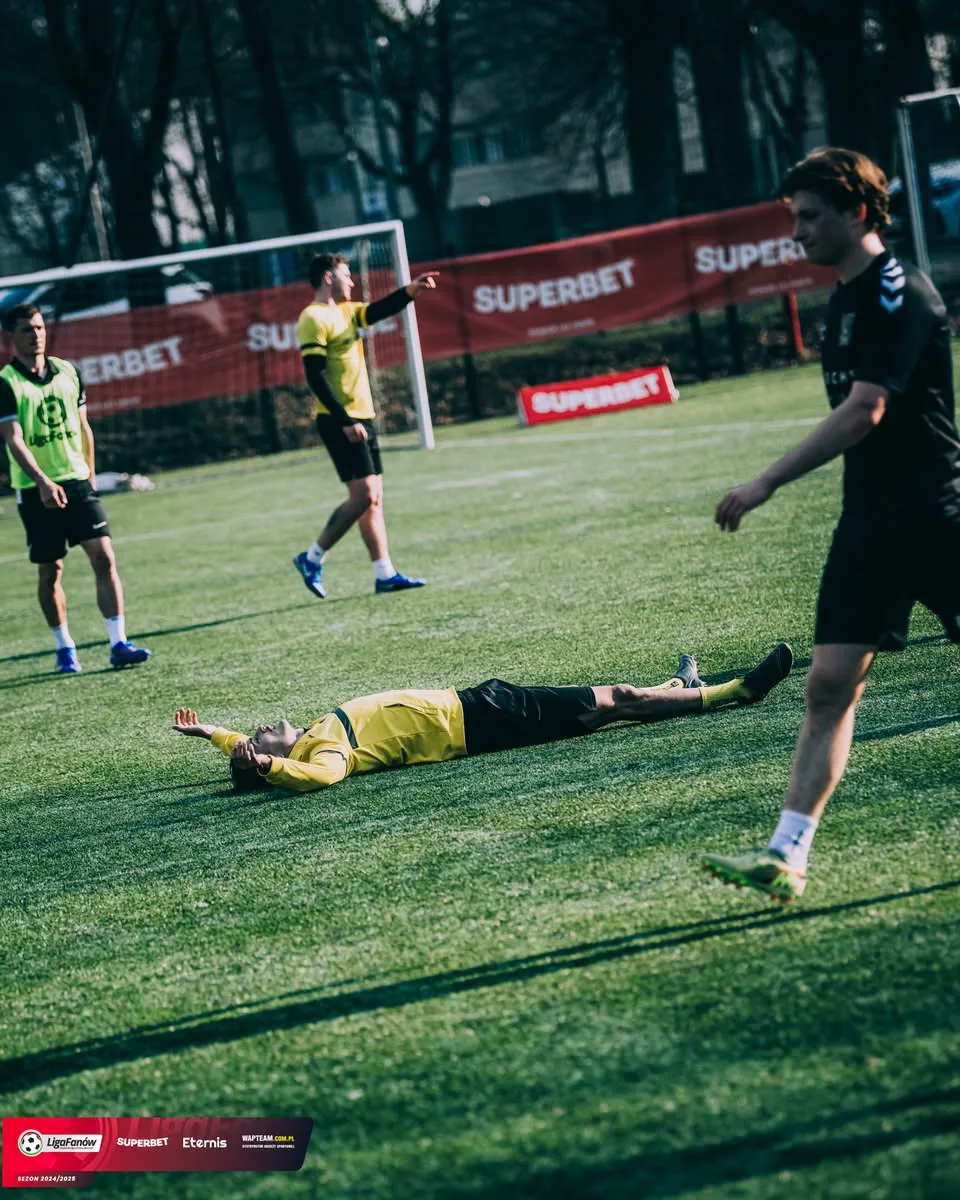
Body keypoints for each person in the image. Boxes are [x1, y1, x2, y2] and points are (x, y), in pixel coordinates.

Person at [705, 147, 960, 904]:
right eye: (795, 218)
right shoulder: (845, 296)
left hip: (937, 517)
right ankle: (786, 856)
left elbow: (865, 411)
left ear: (857, 212)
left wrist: (765, 481)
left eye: (811, 217)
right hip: (870, 524)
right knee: (828, 687)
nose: (798, 233)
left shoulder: (899, 291)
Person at [173, 644, 793, 793]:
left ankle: (679, 689)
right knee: (614, 700)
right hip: (480, 721)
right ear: (272, 757)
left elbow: (243, 745)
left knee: (609, 705)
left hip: (475, 703)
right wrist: (268, 769)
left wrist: (214, 735)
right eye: (259, 739)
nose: (259, 728)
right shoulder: (319, 755)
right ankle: (737, 691)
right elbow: (321, 779)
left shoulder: (310, 735)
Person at [0, 305, 152, 674]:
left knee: (104, 558)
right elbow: (13, 438)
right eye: (26, 329)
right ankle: (64, 647)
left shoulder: (68, 371)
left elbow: (84, 427)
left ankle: (118, 643)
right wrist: (42, 481)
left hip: (78, 482)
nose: (36, 335)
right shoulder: (6, 382)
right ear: (10, 337)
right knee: (51, 570)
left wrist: (89, 476)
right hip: (36, 488)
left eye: (39, 327)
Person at [292, 253, 438, 598]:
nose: (352, 281)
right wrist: (345, 421)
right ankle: (312, 557)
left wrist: (412, 290)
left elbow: (378, 310)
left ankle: (384, 573)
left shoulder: (346, 311)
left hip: (363, 415)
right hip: (339, 420)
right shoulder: (312, 318)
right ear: (328, 277)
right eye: (347, 275)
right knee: (364, 495)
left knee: (374, 499)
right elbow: (315, 375)